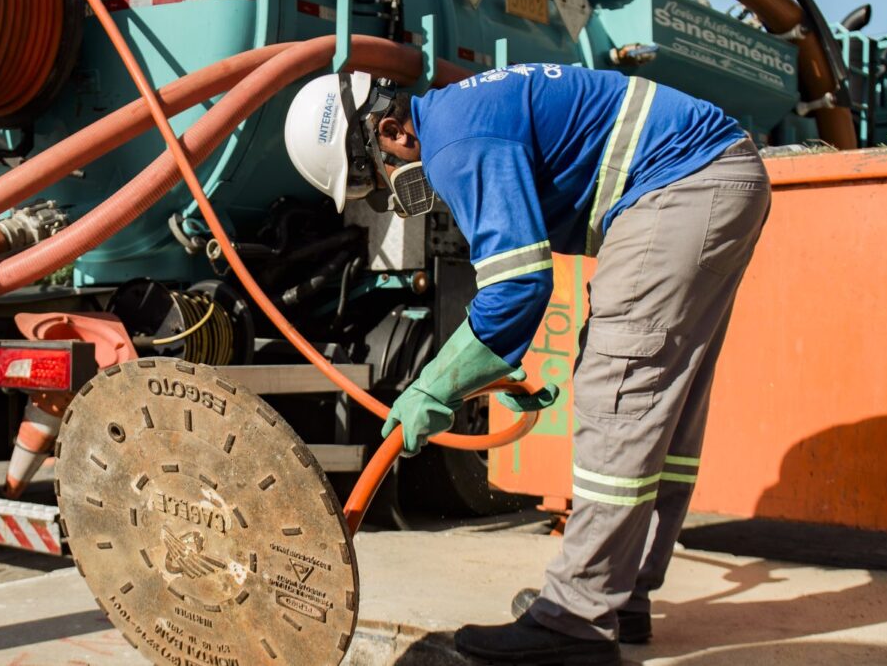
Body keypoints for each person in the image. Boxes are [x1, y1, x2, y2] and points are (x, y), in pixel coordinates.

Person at [283, 64, 770, 664]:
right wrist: (486, 369)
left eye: (376, 178)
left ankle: (576, 619)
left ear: (391, 132)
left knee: (618, 396)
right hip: (713, 175)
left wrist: (433, 387)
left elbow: (517, 287)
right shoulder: (466, 114)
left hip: (680, 184)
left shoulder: (455, 142)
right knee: (656, 402)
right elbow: (523, 273)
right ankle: (618, 598)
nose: (389, 194)